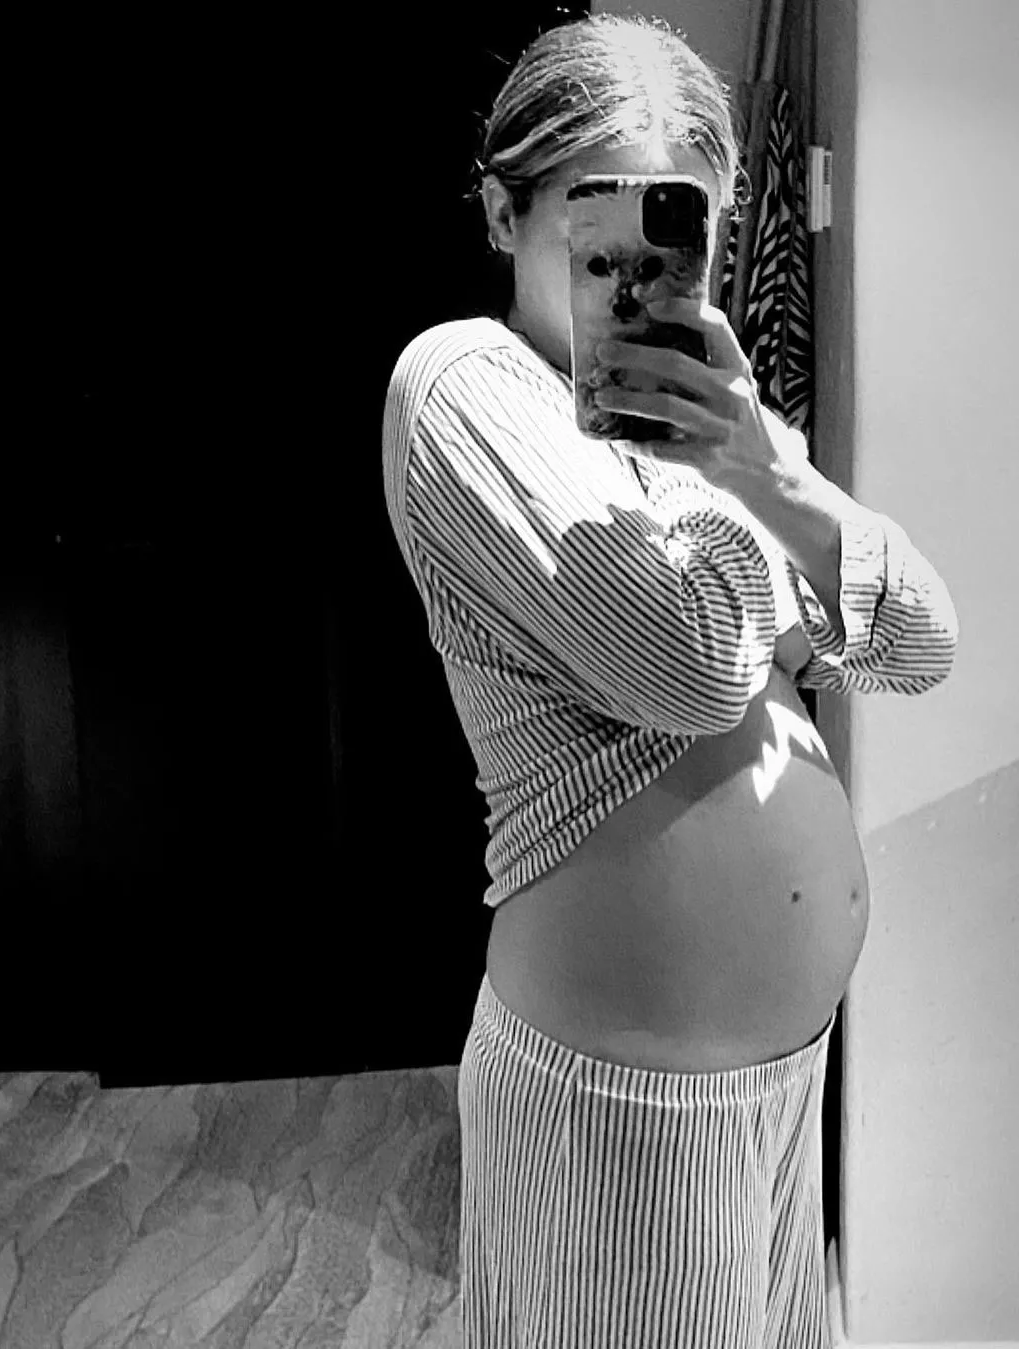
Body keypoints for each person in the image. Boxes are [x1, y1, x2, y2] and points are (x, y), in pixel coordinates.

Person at [381, 15, 958, 1348]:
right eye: (598, 232)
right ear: (503, 213)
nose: (638, 280)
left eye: (677, 230)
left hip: (778, 1085)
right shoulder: (465, 388)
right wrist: (746, 502)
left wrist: (766, 471)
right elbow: (693, 664)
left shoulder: (710, 439)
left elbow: (919, 645)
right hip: (621, 1111)